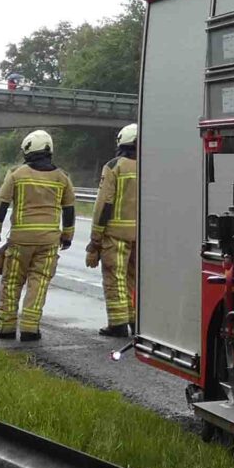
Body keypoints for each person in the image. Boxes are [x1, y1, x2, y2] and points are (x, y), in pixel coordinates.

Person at [0, 128, 75, 343]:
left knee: (11, 283)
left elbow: (2, 204)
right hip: (48, 242)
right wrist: (68, 236)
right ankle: (30, 329)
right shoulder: (62, 177)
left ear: (27, 149)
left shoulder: (17, 174)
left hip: (20, 241)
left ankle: (5, 327)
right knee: (39, 283)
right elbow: (70, 209)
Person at [88, 122, 141, 338]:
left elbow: (104, 205)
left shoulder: (114, 166)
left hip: (116, 234)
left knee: (115, 278)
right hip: (143, 234)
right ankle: (136, 321)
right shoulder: (149, 165)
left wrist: (95, 239)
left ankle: (118, 324)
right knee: (134, 280)